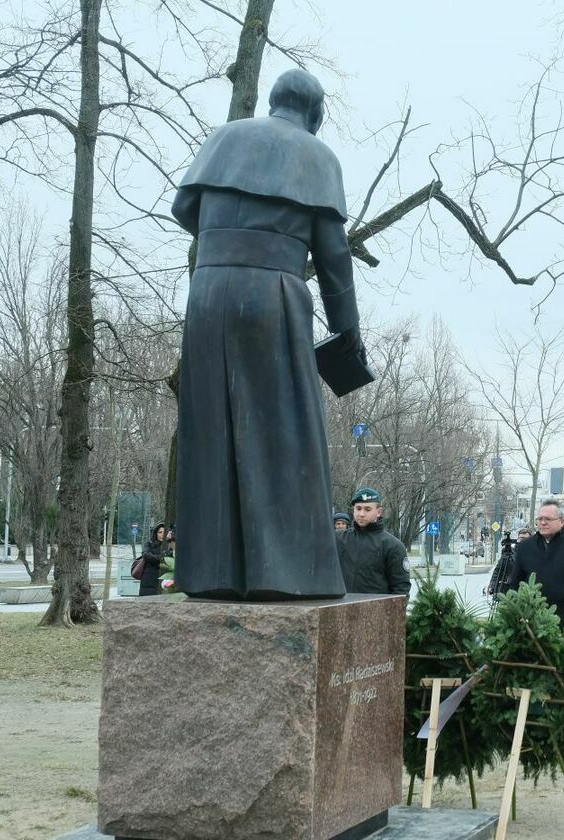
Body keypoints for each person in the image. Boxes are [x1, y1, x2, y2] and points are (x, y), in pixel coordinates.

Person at [171, 69, 362, 600]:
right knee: (287, 430)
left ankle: (211, 573)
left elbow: (184, 207)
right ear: (316, 114)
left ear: (275, 101)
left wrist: (228, 238)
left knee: (211, 427)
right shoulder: (315, 156)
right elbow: (333, 255)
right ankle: (287, 574)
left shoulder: (226, 136)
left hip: (206, 293)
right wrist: (347, 331)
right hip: (271, 294)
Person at [507, 501, 564, 650]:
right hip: (531, 627)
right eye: (540, 519)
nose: (542, 523)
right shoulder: (524, 547)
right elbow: (514, 586)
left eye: (548, 519)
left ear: (562, 521)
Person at [336, 488, 411, 596]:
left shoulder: (392, 545)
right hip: (341, 609)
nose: (361, 514)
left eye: (367, 509)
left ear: (378, 512)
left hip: (376, 611)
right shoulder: (340, 539)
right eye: (358, 508)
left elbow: (401, 589)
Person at [138, 523, 169, 597]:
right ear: (156, 534)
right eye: (160, 532)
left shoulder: (170, 545)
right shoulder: (149, 544)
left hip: (165, 579)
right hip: (149, 579)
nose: (162, 534)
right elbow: (146, 555)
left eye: (164, 532)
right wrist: (162, 559)